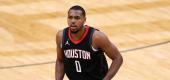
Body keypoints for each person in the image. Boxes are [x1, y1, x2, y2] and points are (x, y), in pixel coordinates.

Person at [55, 5, 123, 80]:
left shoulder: (96, 37)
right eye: (70, 17)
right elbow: (60, 60)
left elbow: (118, 58)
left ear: (84, 19)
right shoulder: (61, 36)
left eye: (77, 18)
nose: (73, 21)